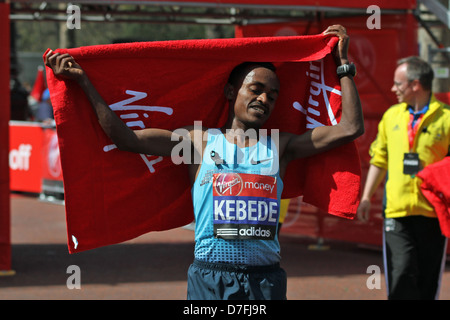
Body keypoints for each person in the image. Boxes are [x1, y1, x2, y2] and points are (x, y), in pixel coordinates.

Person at [45, 25, 363, 300]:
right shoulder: (199, 142)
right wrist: (83, 81)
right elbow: (126, 139)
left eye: (272, 96)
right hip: (212, 278)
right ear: (230, 91)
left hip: (266, 279)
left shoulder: (280, 146)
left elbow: (350, 128)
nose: (264, 100)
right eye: (256, 89)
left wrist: (343, 64)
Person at [357, 56, 450, 300]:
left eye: (398, 84)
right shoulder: (391, 116)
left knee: (427, 281)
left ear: (415, 84)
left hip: (433, 212)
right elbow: (380, 159)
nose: (393, 89)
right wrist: (366, 197)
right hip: (396, 211)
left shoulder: (447, 118)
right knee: (402, 272)